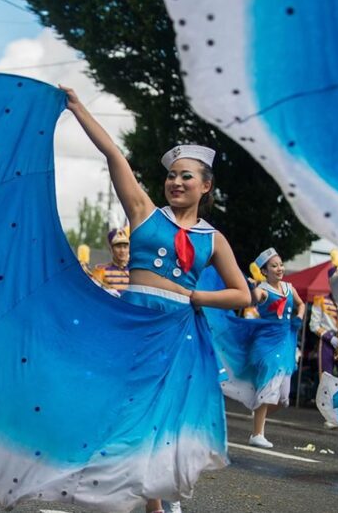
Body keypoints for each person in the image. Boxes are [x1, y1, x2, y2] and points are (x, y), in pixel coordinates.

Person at [64, 86, 251, 513]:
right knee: (125, 411)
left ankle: (156, 498)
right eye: (172, 175)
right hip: (133, 323)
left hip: (178, 331)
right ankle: (147, 496)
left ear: (206, 186)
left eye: (187, 176)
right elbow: (114, 155)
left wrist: (198, 295)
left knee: (160, 419)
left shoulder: (213, 239)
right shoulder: (145, 214)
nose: (176, 181)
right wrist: (78, 108)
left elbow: (241, 292)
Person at [244, 248, 304, 448]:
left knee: (284, 398)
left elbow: (301, 304)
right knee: (268, 387)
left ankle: (258, 415)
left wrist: (299, 316)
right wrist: (251, 287)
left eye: (280, 264)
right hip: (267, 343)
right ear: (264, 271)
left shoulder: (288, 287)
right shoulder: (262, 289)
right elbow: (253, 299)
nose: (279, 268)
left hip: (286, 343)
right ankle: (257, 434)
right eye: (274, 266)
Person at [310, 263, 338, 429]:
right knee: (326, 379)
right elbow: (313, 325)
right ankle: (329, 416)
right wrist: (330, 337)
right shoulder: (320, 300)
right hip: (327, 343)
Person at [92, 227, 131, 292]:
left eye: (125, 247)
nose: (122, 250)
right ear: (111, 249)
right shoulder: (101, 270)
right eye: (118, 247)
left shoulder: (134, 271)